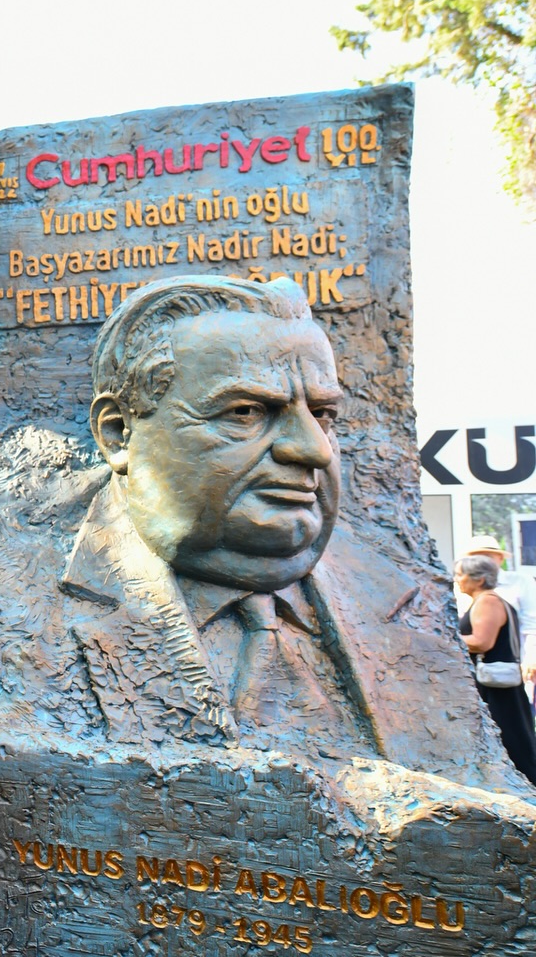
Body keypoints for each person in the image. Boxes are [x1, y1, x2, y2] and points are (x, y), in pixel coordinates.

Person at [48, 274, 514, 786]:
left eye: (323, 413)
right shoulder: (16, 614)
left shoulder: (404, 607)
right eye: (246, 412)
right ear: (119, 434)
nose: (315, 449)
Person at [456, 555, 536, 784]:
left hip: (495, 685)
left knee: (513, 742)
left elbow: (482, 642)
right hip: (496, 684)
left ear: (479, 579)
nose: (458, 579)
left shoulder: (488, 602)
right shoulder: (489, 600)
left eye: (461, 574)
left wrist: (447, 638)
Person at [461, 536, 536, 683]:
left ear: (500, 559)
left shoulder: (520, 582)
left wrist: (531, 657)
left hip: (509, 663)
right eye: (475, 557)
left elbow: (532, 622)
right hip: (475, 666)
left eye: (487, 556)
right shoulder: (463, 587)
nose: (482, 561)